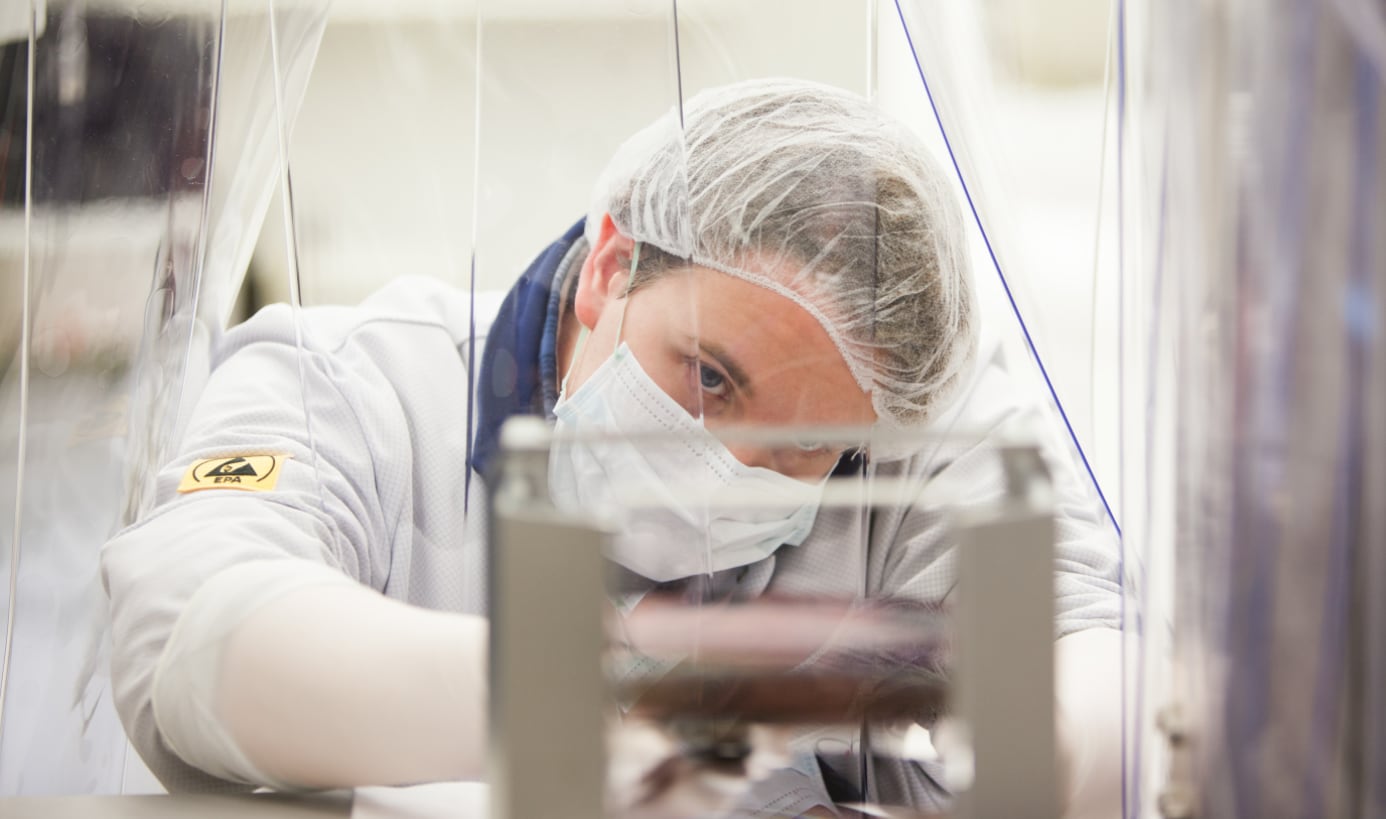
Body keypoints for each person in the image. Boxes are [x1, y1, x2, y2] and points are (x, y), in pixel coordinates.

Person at [101, 78, 1123, 815]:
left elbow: (1102, 680)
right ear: (609, 267)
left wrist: (1047, 754)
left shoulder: (905, 436)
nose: (731, 461)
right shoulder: (358, 387)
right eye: (709, 377)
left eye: (802, 445)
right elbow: (185, 630)